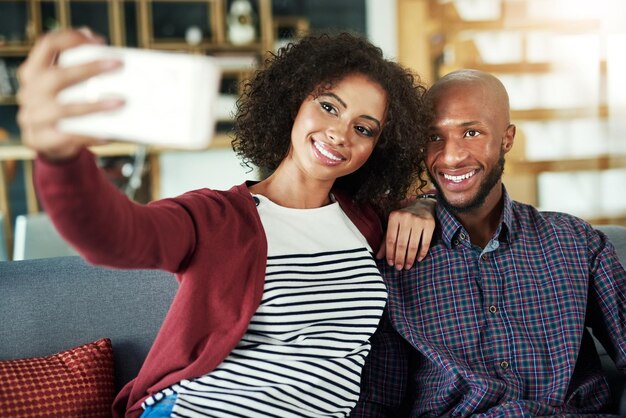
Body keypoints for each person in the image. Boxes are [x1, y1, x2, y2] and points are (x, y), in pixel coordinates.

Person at [17, 29, 436, 417]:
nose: (339, 133)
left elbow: (441, 202)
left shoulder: (366, 220)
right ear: (294, 102)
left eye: (363, 128)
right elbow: (113, 236)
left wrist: (423, 207)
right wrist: (60, 157)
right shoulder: (217, 217)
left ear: (377, 148)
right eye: (328, 106)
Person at [352, 69, 626, 416]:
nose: (451, 156)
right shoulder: (396, 261)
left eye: (471, 132)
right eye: (434, 137)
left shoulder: (576, 244)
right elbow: (377, 403)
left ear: (507, 138)